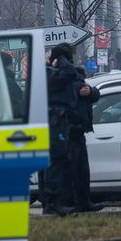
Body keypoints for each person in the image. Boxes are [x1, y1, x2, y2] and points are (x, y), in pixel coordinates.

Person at [41, 43, 97, 215]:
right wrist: (61, 61)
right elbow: (69, 77)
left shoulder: (70, 75)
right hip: (63, 126)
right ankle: (56, 203)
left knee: (81, 170)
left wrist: (91, 92)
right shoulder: (51, 75)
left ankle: (82, 201)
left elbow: (90, 93)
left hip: (76, 127)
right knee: (61, 168)